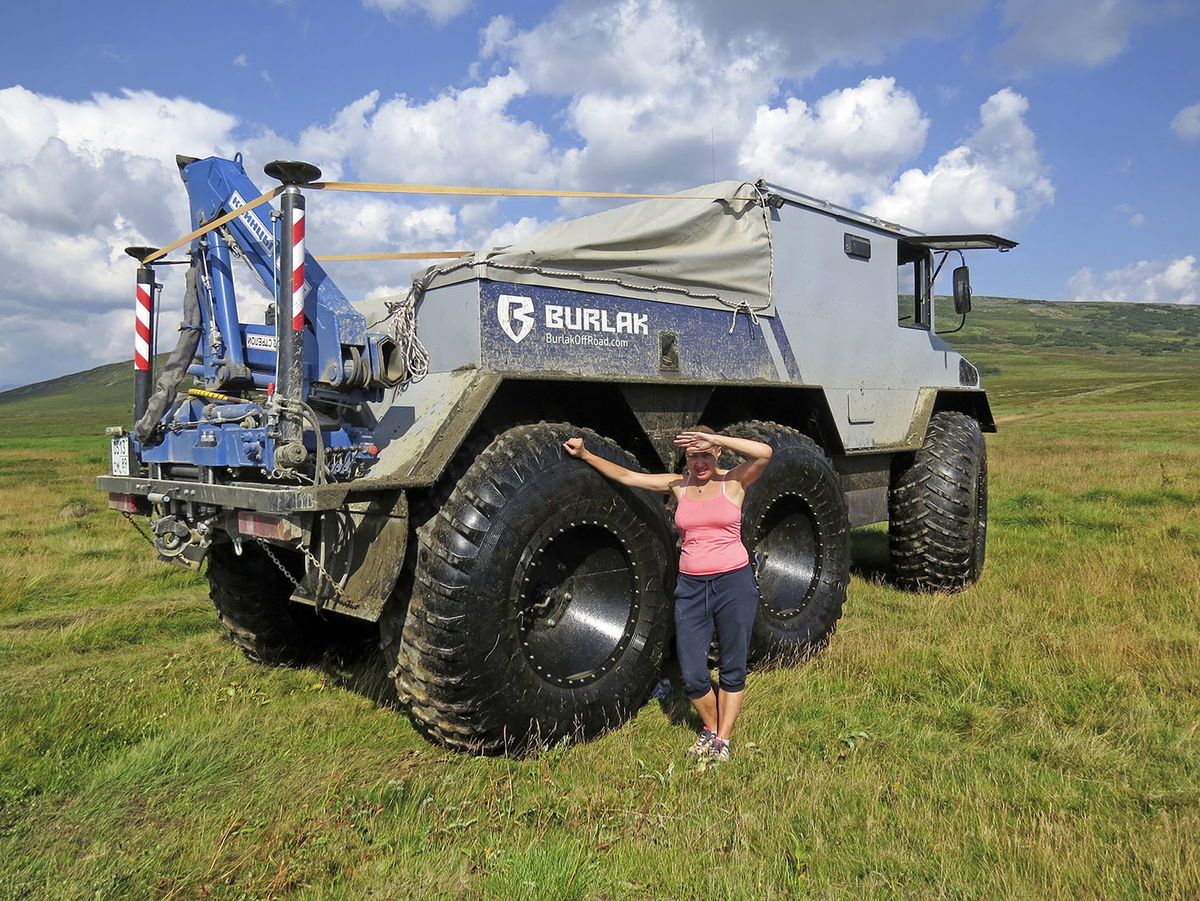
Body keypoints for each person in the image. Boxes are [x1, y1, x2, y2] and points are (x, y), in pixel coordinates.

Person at [563, 427, 772, 761]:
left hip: (733, 583)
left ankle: (721, 739)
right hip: (690, 587)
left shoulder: (734, 481)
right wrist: (586, 454)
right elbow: (629, 476)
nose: (700, 462)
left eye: (705, 454)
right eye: (693, 456)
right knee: (692, 674)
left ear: (717, 453)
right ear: (685, 458)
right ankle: (711, 726)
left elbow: (764, 453)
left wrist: (716, 438)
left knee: (732, 664)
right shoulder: (679, 484)